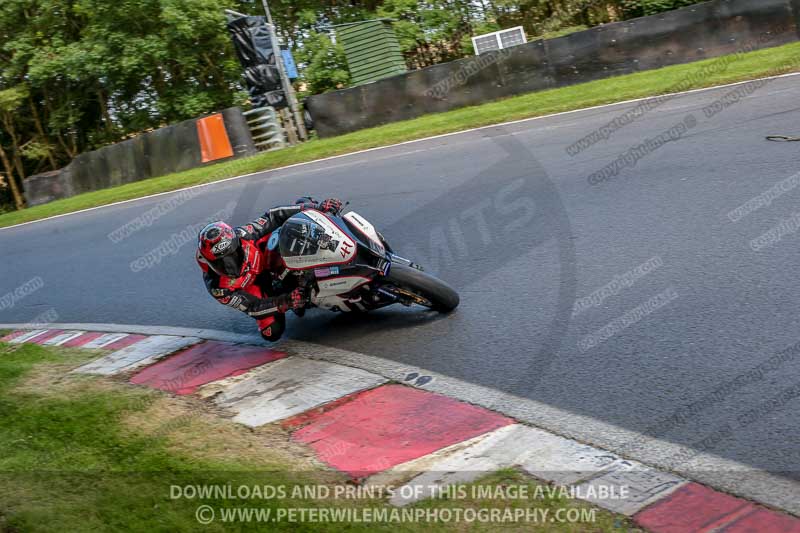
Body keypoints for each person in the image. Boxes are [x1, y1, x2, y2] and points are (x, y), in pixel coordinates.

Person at [196, 197, 343, 341]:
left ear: (237, 244)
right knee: (271, 332)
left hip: (268, 255)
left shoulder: (243, 234)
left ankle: (308, 207)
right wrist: (286, 301)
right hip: (256, 286)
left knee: (296, 226)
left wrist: (316, 208)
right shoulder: (218, 288)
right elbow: (252, 307)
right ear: (209, 263)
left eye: (233, 255)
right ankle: (293, 294)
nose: (230, 265)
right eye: (221, 263)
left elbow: (273, 216)